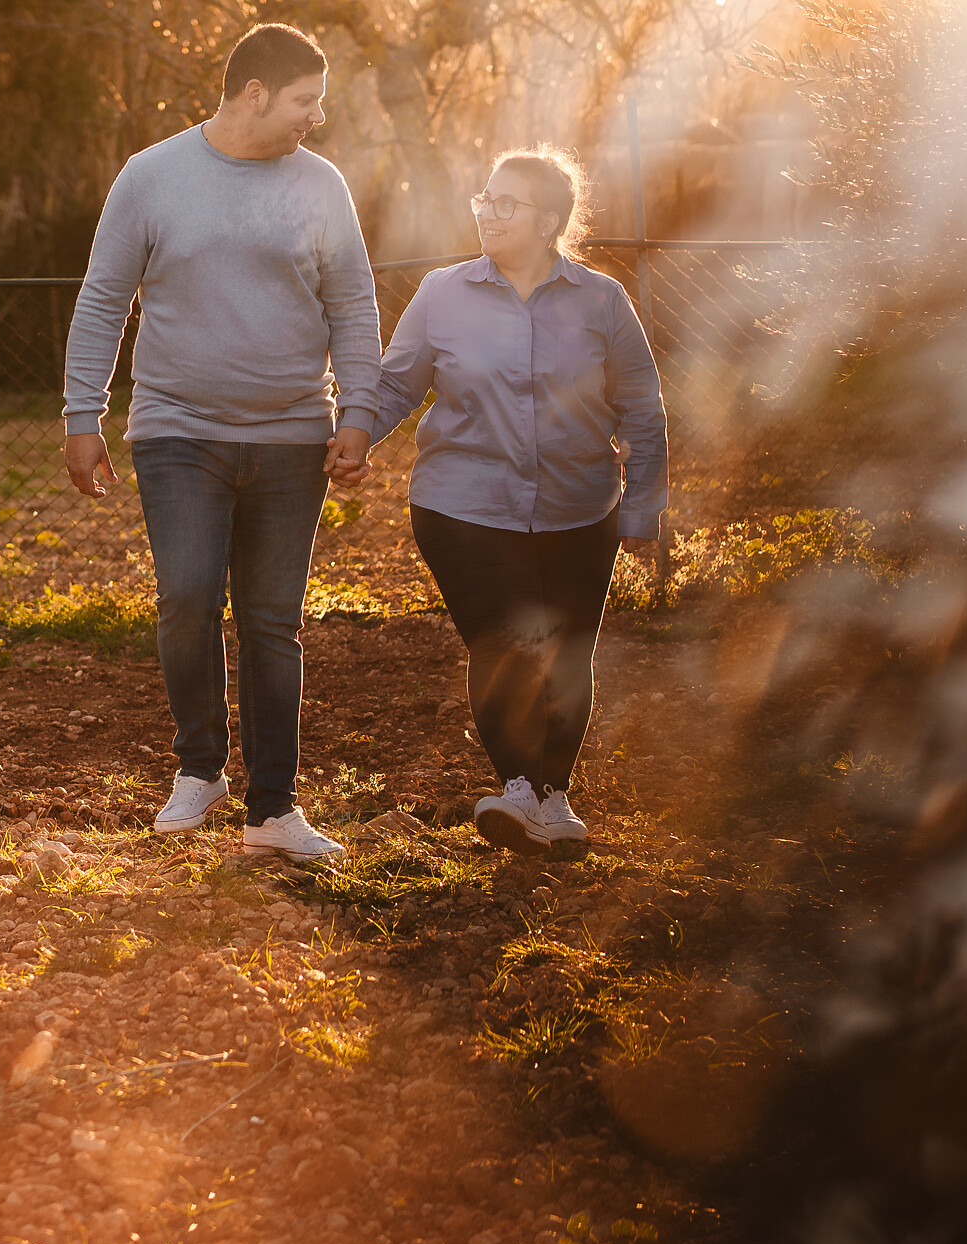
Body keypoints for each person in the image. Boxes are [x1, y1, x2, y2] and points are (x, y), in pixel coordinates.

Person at [62, 23, 379, 862]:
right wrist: (80, 414)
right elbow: (103, 299)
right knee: (189, 595)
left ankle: (274, 809)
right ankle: (200, 767)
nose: (316, 116)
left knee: (273, 623)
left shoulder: (321, 185)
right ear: (253, 94)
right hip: (178, 430)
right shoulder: (152, 176)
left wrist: (357, 414)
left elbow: (352, 304)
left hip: (289, 435)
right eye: (305, 101)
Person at [370, 145, 669, 855]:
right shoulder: (442, 293)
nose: (487, 213)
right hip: (461, 505)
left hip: (579, 508)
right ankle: (516, 788)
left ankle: (552, 799)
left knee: (567, 653)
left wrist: (640, 510)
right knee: (503, 642)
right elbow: (393, 386)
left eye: (505, 203)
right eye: (484, 199)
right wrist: (348, 439)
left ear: (548, 220)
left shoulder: (601, 300)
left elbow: (642, 408)